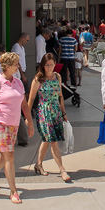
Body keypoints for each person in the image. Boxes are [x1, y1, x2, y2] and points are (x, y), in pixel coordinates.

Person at [0, 52, 34, 203]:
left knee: (4, 156)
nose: (18, 66)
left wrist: (29, 122)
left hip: (14, 124)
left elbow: (24, 104)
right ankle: (13, 191)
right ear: (7, 66)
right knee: (9, 155)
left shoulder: (17, 82)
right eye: (16, 64)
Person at [26, 53, 72, 182]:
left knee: (47, 139)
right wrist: (28, 117)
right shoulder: (38, 79)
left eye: (52, 65)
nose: (49, 67)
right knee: (53, 141)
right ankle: (62, 169)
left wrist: (63, 113)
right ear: (43, 65)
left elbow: (60, 96)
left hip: (56, 111)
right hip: (44, 112)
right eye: (47, 65)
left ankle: (38, 164)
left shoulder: (57, 77)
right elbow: (31, 99)